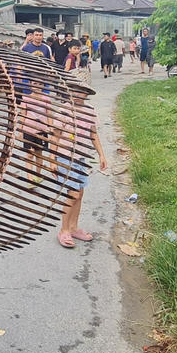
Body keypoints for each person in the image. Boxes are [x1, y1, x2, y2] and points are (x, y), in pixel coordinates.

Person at [55, 85, 106, 248]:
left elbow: (93, 134)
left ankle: (73, 227)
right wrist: (52, 159)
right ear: (70, 90)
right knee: (73, 194)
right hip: (65, 157)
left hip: (81, 158)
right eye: (75, 90)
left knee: (80, 193)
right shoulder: (64, 110)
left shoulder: (90, 110)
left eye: (82, 91)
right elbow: (55, 136)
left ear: (87, 93)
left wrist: (102, 155)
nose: (78, 94)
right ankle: (63, 230)